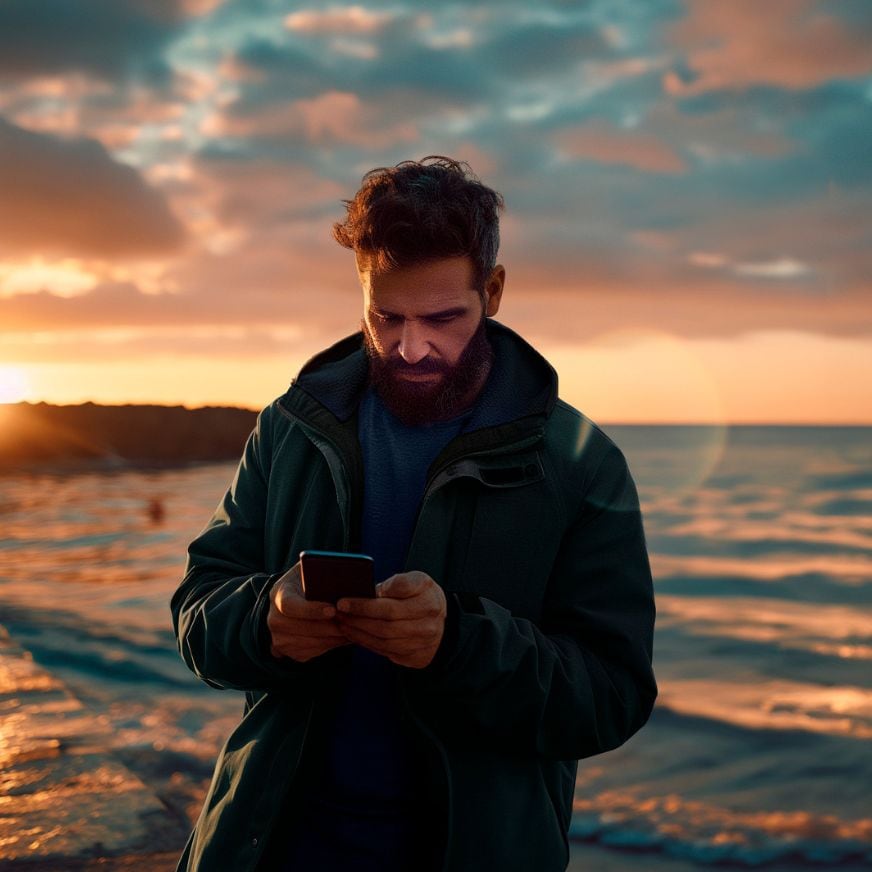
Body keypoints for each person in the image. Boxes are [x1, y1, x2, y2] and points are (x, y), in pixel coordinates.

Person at [171, 156, 657, 872]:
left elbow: (613, 696)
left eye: (442, 318)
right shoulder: (290, 427)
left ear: (492, 291)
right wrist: (264, 619)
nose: (410, 346)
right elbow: (196, 609)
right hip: (270, 843)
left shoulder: (581, 462)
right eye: (385, 317)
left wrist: (458, 643)